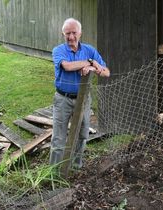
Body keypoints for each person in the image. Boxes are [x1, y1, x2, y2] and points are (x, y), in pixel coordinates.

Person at [50, 18, 110, 169]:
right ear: (63, 34)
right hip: (63, 99)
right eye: (67, 33)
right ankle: (55, 171)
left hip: (83, 99)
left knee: (82, 134)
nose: (71, 37)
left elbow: (106, 72)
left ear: (80, 33)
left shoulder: (89, 50)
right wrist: (89, 62)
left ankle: (76, 165)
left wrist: (93, 69)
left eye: (74, 33)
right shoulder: (59, 50)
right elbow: (68, 66)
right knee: (59, 137)